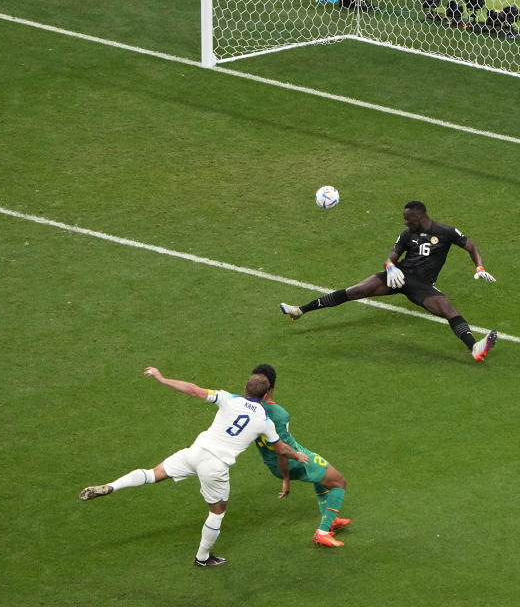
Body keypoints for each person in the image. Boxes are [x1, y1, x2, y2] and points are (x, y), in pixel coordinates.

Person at [79, 368, 309, 567]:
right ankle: (202, 557)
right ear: (267, 394)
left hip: (195, 452)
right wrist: (297, 455)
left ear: (245, 388)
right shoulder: (265, 421)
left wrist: (162, 378)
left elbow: (193, 389)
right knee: (217, 512)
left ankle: (111, 486)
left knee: (152, 474)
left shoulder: (228, 398)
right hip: (215, 466)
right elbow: (280, 449)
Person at [279, 200, 498, 361]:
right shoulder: (406, 235)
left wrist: (479, 266)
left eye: (407, 218)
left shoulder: (446, 232)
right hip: (398, 277)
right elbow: (391, 258)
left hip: (422, 285)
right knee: (353, 291)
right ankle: (300, 310)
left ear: (419, 217)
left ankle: (474, 347)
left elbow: (471, 246)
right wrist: (390, 267)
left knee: (448, 310)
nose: (404, 221)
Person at [250, 363, 350, 548]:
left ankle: (331, 519)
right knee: (339, 482)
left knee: (320, 475)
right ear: (272, 387)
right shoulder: (278, 414)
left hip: (273, 461)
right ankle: (322, 532)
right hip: (291, 459)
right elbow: (282, 449)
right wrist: (286, 478)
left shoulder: (247, 409)